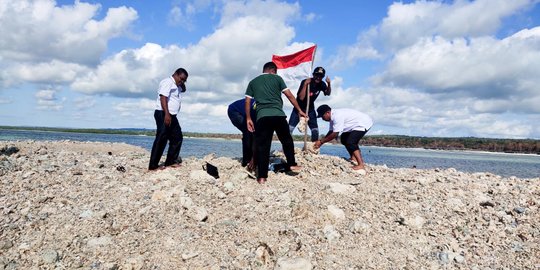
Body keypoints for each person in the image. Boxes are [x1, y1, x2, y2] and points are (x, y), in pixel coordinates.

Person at [245, 61, 308, 184]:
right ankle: (291, 164)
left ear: (264, 70)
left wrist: (248, 118)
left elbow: (247, 101)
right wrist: (299, 110)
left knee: (263, 146)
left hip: (262, 116)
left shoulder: (253, 82)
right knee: (287, 140)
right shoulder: (278, 79)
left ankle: (262, 177)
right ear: (274, 70)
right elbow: (289, 96)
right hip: (278, 115)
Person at [148, 68, 188, 170]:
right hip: (163, 113)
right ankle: (153, 166)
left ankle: (170, 161)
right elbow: (163, 97)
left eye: (184, 80)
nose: (182, 81)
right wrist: (166, 114)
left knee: (177, 137)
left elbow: (184, 89)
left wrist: (181, 82)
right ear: (175, 74)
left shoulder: (177, 85)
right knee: (162, 138)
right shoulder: (167, 82)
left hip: (172, 115)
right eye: (181, 79)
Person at [314, 104, 373, 173]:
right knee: (344, 138)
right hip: (354, 125)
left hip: (363, 122)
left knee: (351, 142)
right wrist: (321, 142)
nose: (323, 119)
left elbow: (335, 133)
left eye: (322, 116)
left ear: (328, 113)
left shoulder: (337, 116)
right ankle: (353, 158)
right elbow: (331, 131)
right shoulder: (332, 119)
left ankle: (361, 164)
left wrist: (321, 142)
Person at [288, 67, 331, 141]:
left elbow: (327, 93)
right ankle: (285, 148)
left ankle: (313, 148)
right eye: (316, 75)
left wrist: (329, 84)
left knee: (315, 130)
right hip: (298, 108)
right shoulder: (305, 81)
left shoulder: (322, 84)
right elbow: (301, 98)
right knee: (290, 129)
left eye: (321, 76)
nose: (318, 77)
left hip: (310, 109)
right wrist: (305, 84)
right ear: (313, 75)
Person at [228, 98, 257, 170]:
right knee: (249, 132)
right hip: (235, 111)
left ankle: (251, 159)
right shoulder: (257, 109)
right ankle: (246, 161)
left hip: (248, 113)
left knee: (254, 134)